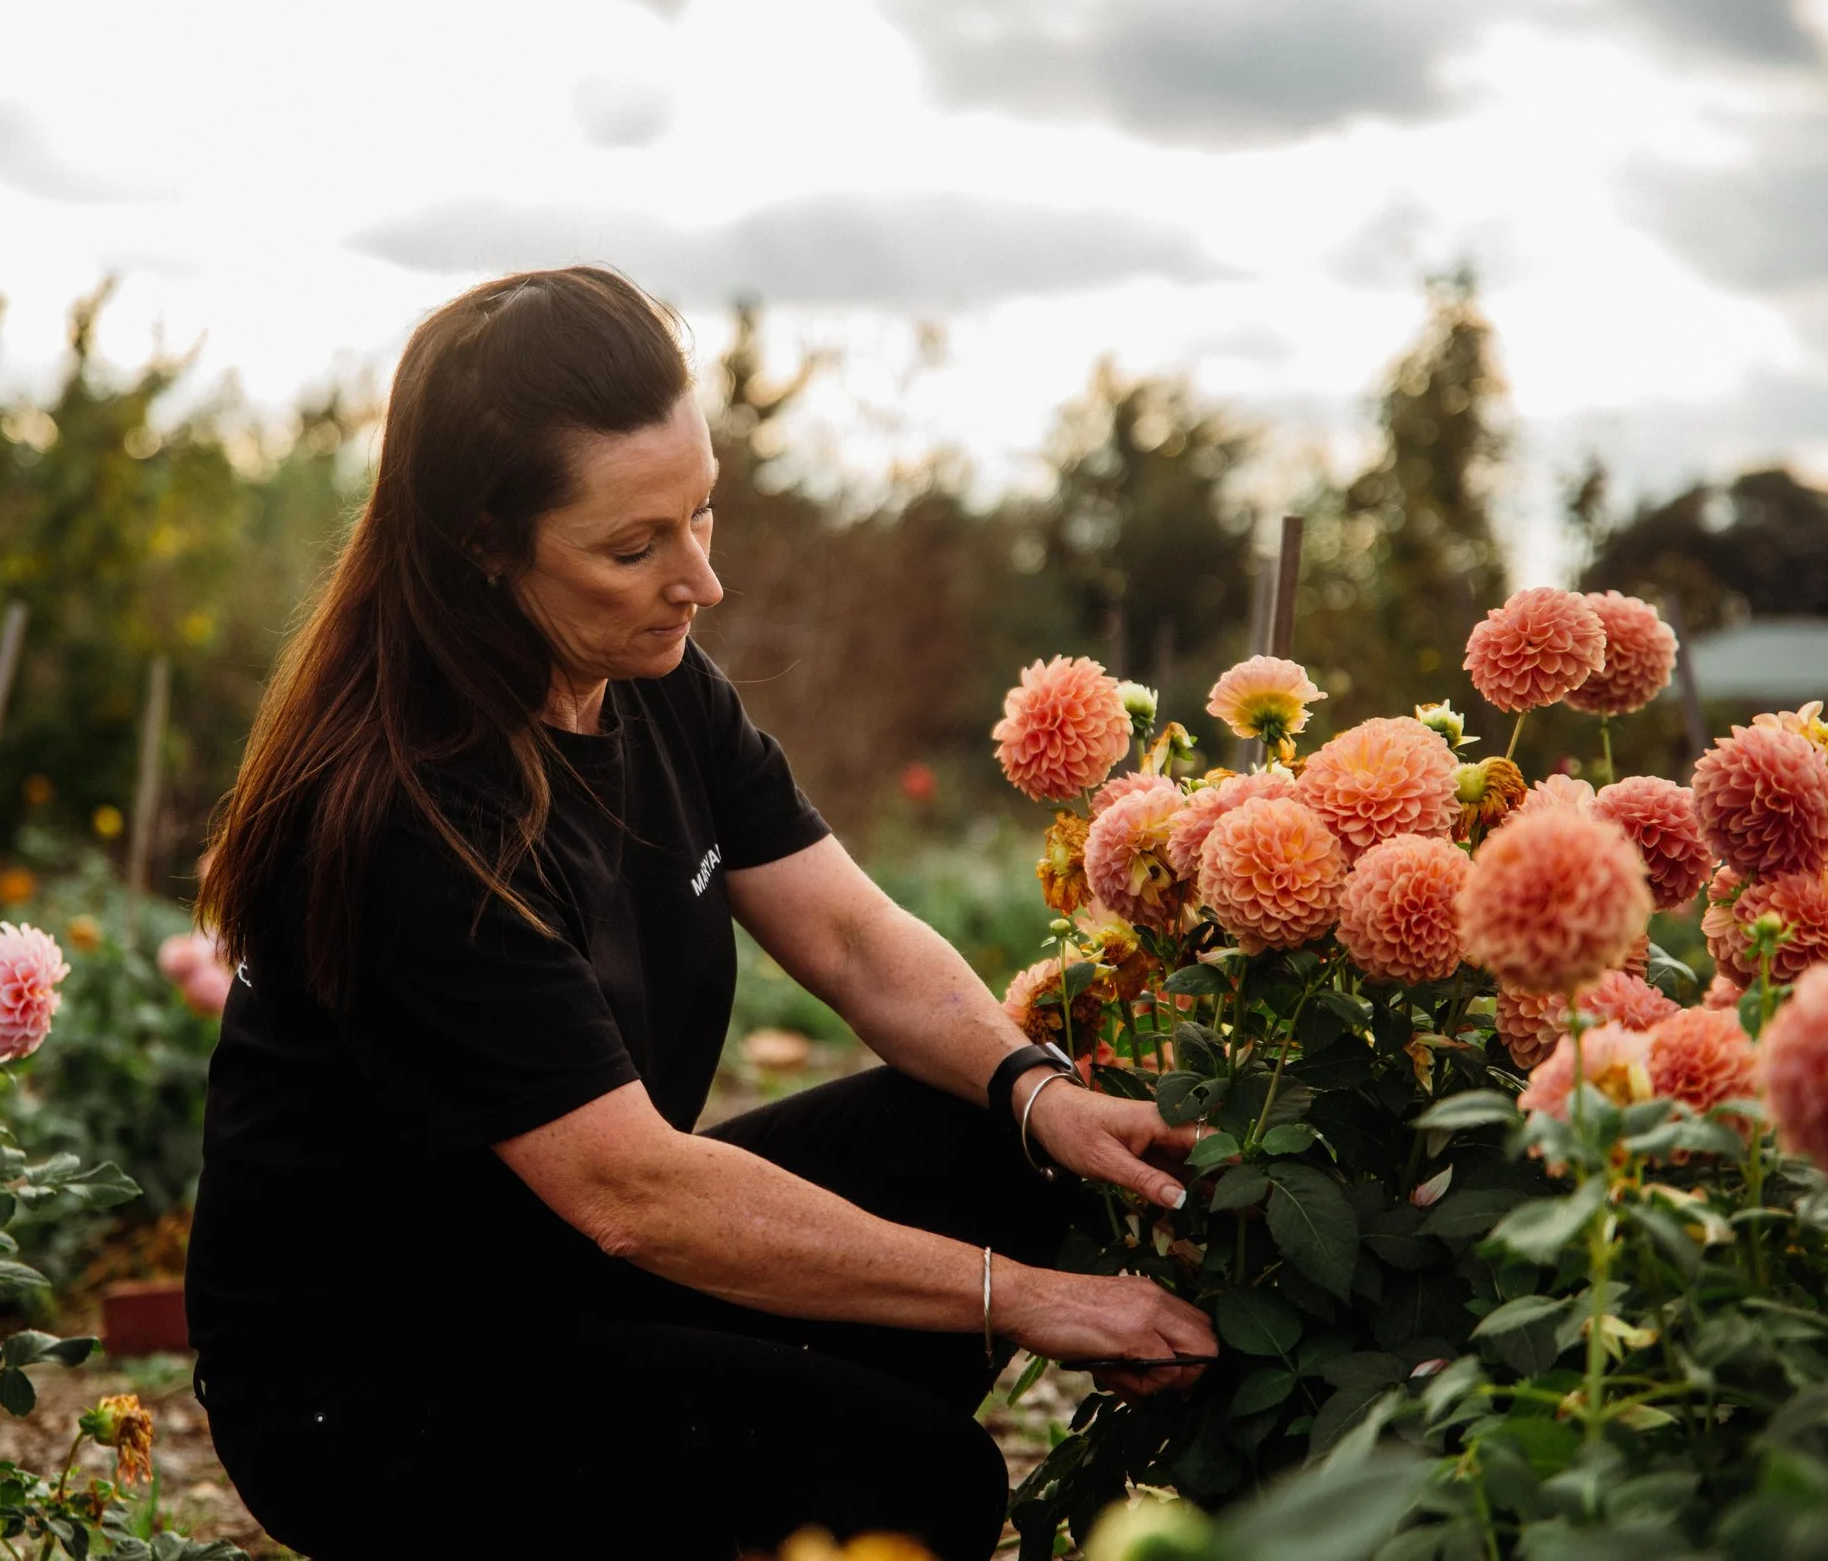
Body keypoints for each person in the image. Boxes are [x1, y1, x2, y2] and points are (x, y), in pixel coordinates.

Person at [186, 267, 1214, 1561]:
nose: (701, 582)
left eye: (702, 513)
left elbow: (850, 937)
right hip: (382, 1384)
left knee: (993, 1139)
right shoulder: (406, 816)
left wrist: (1036, 1089)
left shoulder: (651, 681)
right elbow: (636, 1193)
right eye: (636, 547)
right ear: (482, 550)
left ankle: (769, 1488)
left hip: (568, 1271)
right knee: (926, 1482)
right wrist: (1030, 1299)